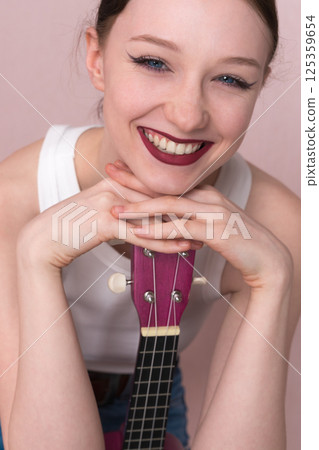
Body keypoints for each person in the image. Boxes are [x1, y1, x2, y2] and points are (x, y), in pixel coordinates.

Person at [0, 0, 300, 448]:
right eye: (154, 62)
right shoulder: (13, 200)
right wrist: (33, 258)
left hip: (153, 392)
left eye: (230, 79)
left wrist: (275, 280)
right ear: (97, 61)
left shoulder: (281, 226)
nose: (187, 115)